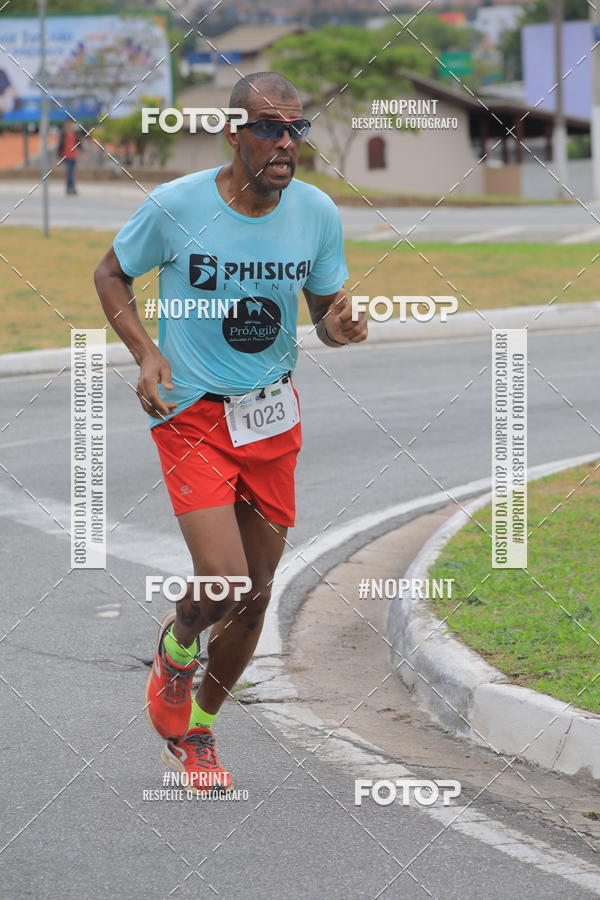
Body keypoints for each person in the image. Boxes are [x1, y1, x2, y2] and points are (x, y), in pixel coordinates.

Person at [94, 71, 367, 793]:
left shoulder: (315, 212)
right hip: (191, 411)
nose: (286, 143)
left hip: (271, 414)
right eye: (270, 128)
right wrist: (146, 352)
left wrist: (339, 327)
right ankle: (179, 645)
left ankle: (198, 731)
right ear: (233, 132)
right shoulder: (178, 206)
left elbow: (326, 314)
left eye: (296, 129)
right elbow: (111, 274)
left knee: (257, 594)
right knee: (222, 580)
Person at [57, 120, 79, 194]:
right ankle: (71, 187)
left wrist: (83, 151)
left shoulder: (74, 133)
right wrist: (59, 154)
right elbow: (60, 144)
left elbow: (78, 143)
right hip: (66, 155)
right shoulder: (63, 134)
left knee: (71, 172)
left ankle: (69, 187)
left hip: (73, 156)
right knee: (69, 171)